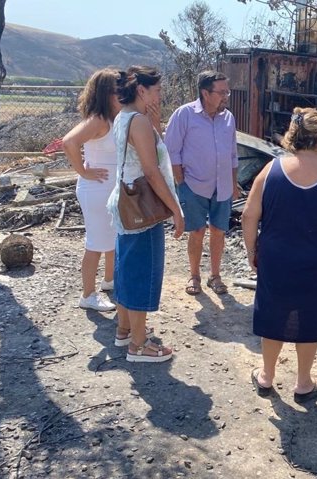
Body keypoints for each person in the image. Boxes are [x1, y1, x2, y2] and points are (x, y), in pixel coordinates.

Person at [242, 107, 317, 403]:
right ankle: (303, 382)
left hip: (275, 258)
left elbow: (248, 216)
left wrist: (252, 251)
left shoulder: (271, 169)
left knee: (274, 311)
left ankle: (266, 376)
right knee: (310, 314)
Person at [107, 65, 184, 362]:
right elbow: (152, 172)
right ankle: (139, 345)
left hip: (125, 202)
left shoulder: (124, 117)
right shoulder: (137, 122)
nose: (159, 93)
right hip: (142, 207)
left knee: (126, 268)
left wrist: (154, 117)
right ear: (141, 90)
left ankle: (125, 329)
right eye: (156, 89)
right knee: (142, 271)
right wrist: (176, 209)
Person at [164, 70, 239, 296]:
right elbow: (171, 152)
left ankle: (215, 276)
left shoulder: (229, 118)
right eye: (222, 92)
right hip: (193, 185)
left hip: (223, 186)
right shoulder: (184, 114)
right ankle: (194, 276)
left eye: (227, 91)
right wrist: (181, 183)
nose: (226, 96)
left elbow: (233, 155)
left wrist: (234, 184)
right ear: (206, 93)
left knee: (218, 231)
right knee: (196, 232)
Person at [63, 68, 121, 312]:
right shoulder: (97, 119)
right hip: (96, 188)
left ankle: (109, 281)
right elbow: (69, 142)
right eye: (120, 89)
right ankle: (88, 294)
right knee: (96, 242)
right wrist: (83, 172)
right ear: (107, 93)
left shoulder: (115, 117)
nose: (124, 93)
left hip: (110, 188)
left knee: (112, 237)